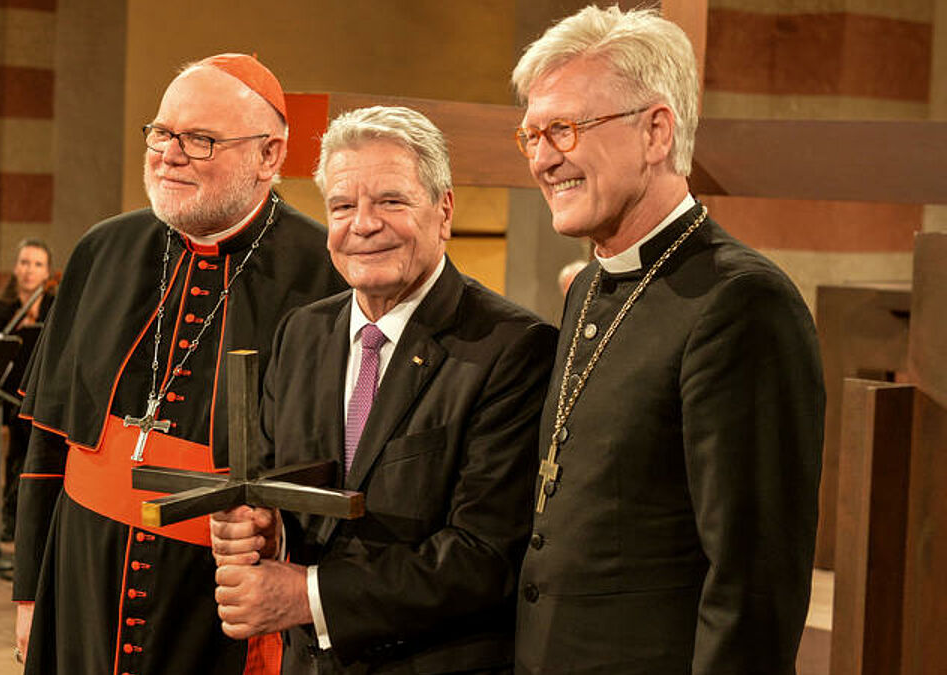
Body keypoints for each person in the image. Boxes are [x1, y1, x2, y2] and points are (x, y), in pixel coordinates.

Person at [509, 6, 824, 674]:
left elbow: (753, 583)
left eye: (562, 129)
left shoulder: (742, 303)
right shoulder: (590, 286)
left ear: (656, 131)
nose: (542, 158)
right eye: (531, 135)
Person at [12, 53, 346, 673]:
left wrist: (281, 536)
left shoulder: (326, 275)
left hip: (214, 600)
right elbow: (47, 443)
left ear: (269, 156)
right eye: (162, 133)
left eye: (200, 140)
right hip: (82, 573)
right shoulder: (101, 250)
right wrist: (31, 591)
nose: (169, 154)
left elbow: (338, 469)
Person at [208, 106, 557, 673]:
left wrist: (309, 595)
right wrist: (262, 531)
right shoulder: (301, 333)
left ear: (444, 209)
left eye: (391, 201)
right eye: (343, 206)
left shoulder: (512, 347)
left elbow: (487, 557)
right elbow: (273, 488)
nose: (363, 224)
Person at [0, 237, 55, 542]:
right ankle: (14, 515)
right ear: (15, 268)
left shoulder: (55, 307)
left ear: (47, 273)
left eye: (37, 264)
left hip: (43, 397)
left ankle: (40, 513)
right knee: (25, 421)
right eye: (24, 262)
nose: (29, 270)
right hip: (4, 397)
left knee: (36, 420)